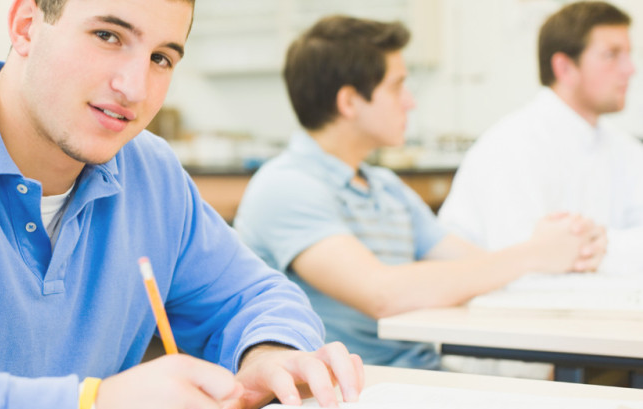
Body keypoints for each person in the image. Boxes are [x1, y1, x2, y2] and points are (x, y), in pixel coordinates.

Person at [0, 1, 365, 409]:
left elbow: (255, 296)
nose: (134, 87)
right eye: (108, 35)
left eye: (162, 57)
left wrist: (269, 350)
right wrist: (86, 406)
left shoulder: (151, 173)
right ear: (26, 25)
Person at [233, 15, 605, 369]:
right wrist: (534, 254)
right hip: (350, 388)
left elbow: (472, 265)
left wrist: (561, 250)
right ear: (349, 102)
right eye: (397, 86)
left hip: (423, 372)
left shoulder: (385, 186)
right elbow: (383, 295)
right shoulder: (286, 186)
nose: (410, 101)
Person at [438, 1, 643, 275]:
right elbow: (526, 261)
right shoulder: (513, 145)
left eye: (628, 54)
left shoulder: (623, 147)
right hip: (491, 310)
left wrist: (595, 246)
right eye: (611, 55)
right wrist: (598, 248)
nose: (630, 69)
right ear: (564, 68)